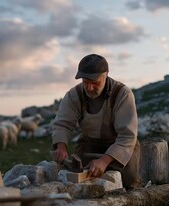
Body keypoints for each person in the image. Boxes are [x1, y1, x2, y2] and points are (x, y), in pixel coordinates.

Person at [51, 53, 141, 189]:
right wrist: (61, 146)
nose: (89, 88)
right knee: (78, 179)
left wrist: (104, 161)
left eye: (95, 83)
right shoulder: (74, 95)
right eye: (85, 82)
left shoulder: (122, 94)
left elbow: (127, 136)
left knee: (128, 183)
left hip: (119, 146)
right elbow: (63, 123)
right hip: (90, 144)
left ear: (106, 75)